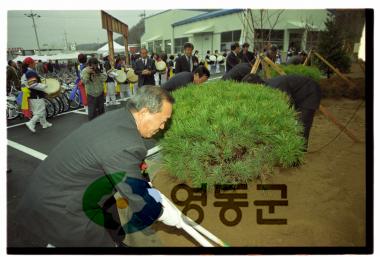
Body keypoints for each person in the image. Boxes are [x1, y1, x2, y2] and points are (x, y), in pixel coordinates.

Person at [16, 86, 181, 247]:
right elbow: (136, 195)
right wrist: (163, 213)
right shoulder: (125, 142)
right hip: (61, 208)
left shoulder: (120, 117)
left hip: (53, 190)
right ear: (144, 112)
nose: (162, 127)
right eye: (163, 121)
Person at [241, 73, 321, 150]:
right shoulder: (267, 87)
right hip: (299, 95)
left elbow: (288, 106)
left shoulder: (276, 87)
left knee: (302, 125)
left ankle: (297, 154)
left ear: (257, 85)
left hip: (310, 92)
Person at [21, 57, 52, 133]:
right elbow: (33, 84)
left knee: (37, 111)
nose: (35, 64)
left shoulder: (26, 73)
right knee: (40, 110)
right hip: (36, 94)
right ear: (30, 64)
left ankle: (44, 123)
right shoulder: (30, 72)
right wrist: (44, 86)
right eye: (34, 62)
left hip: (31, 94)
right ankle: (31, 123)